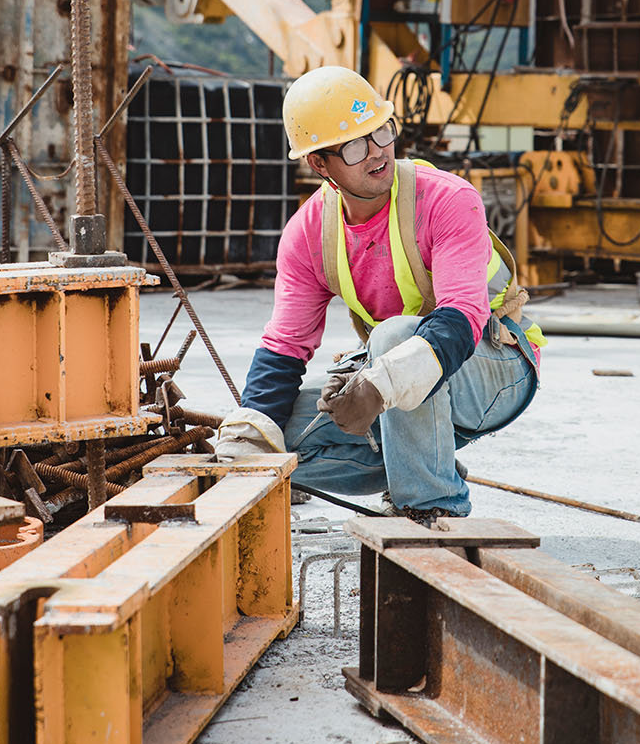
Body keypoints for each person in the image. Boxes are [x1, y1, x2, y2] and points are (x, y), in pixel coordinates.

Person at [209, 66, 544, 523]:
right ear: (319, 164)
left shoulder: (446, 199)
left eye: (381, 132)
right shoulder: (309, 234)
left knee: (393, 337)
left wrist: (379, 383)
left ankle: (432, 506)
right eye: (353, 146)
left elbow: (462, 317)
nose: (376, 153)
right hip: (403, 377)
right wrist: (247, 437)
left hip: (494, 370)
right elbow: (285, 347)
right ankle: (425, 462)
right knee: (277, 438)